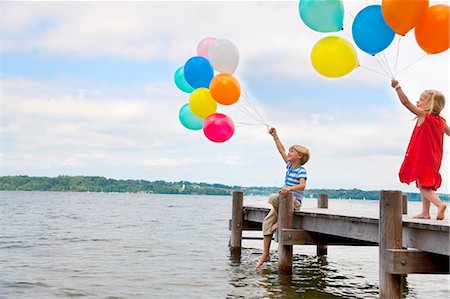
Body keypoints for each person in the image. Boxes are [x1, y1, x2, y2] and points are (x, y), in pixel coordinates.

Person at [392, 79, 449, 220]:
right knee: (424, 183)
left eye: (421, 100)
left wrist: (397, 87)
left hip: (421, 157)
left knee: (424, 186)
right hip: (434, 159)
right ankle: (425, 212)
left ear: (429, 104)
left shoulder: (424, 115)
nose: (418, 102)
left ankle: (439, 204)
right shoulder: (441, 122)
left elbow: (406, 103)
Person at [255, 127, 309, 269]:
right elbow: (281, 150)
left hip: (293, 203)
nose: (289, 153)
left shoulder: (301, 170)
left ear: (300, 157)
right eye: (290, 151)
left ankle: (280, 221)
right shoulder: (289, 166)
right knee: (266, 223)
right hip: (283, 203)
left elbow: (302, 185)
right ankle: (265, 254)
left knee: (273, 197)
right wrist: (275, 135)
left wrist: (289, 188)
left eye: (292, 152)